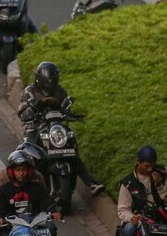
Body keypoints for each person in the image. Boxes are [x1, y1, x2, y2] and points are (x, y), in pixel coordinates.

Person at [18, 61, 106, 200]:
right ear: (39, 80)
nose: (50, 85)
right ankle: (23, 187)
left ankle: (91, 183)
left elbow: (67, 107)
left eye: (52, 82)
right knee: (26, 154)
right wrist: (38, 105)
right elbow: (23, 113)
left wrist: (72, 113)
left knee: (72, 150)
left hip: (56, 128)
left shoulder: (60, 91)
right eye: (47, 82)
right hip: (35, 128)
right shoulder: (29, 92)